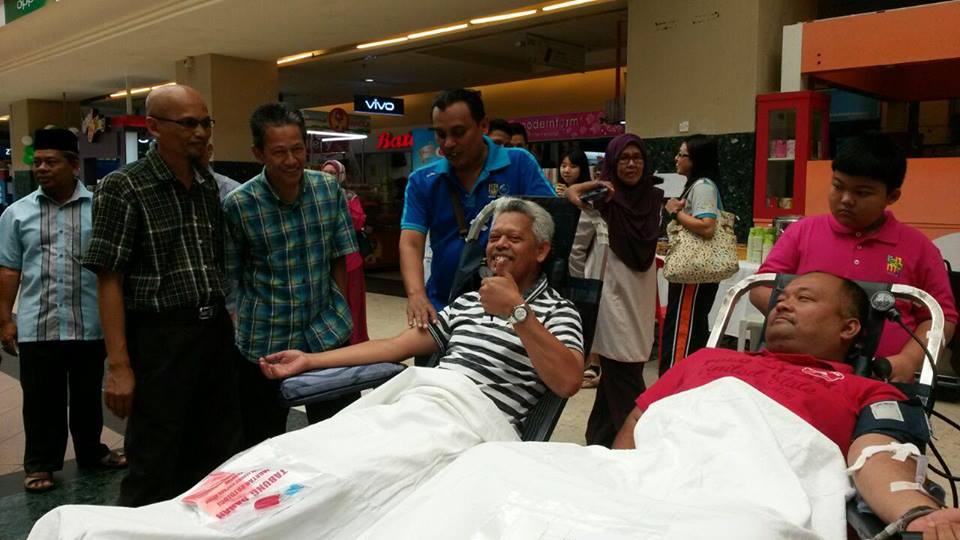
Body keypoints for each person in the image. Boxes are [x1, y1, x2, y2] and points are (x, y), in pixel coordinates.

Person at [614, 272, 960, 536]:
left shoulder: (865, 390)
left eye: (803, 298)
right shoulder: (704, 359)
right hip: (639, 492)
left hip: (743, 509)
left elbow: (878, 455)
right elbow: (638, 423)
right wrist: (613, 483)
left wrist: (918, 513)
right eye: (781, 298)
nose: (781, 304)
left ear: (849, 328)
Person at [263, 197, 583, 422]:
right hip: (422, 406)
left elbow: (568, 381)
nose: (499, 244)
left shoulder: (558, 312)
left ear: (541, 251)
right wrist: (310, 360)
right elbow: (395, 346)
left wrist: (517, 311)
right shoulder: (469, 301)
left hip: (473, 426)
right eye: (494, 236)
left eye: (513, 238)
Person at [81, 84, 242, 506]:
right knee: (155, 458)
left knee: (217, 450)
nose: (200, 132)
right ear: (153, 127)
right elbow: (109, 279)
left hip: (212, 331)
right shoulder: (124, 187)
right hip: (159, 339)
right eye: (188, 123)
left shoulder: (207, 185)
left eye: (205, 122)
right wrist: (119, 366)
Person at [750, 133, 957, 382]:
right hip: (796, 371)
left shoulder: (919, 248)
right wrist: (812, 324)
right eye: (838, 186)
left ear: (892, 196)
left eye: (863, 193)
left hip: (880, 378)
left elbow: (941, 317)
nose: (846, 200)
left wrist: (909, 360)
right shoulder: (802, 232)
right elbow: (761, 287)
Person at [223, 103, 357, 448]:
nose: (291, 160)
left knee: (339, 437)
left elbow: (339, 257)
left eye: (297, 149)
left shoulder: (327, 190)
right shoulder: (240, 205)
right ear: (258, 153)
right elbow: (231, 275)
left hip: (327, 331)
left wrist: (341, 309)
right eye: (279, 152)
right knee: (260, 442)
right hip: (265, 340)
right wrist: (236, 320)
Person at [0, 128, 125, 494]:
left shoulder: (99, 208)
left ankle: (91, 451)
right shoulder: (17, 213)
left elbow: (114, 269)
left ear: (73, 165)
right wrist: (5, 319)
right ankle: (41, 463)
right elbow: (9, 270)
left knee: (87, 397)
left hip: (89, 322)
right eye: (37, 162)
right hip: (39, 323)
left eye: (50, 162)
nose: (41, 168)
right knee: (41, 400)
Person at [400, 88, 555, 330]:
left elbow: (549, 222)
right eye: (441, 134)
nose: (448, 143)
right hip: (444, 307)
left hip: (511, 310)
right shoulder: (423, 180)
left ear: (483, 126)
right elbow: (411, 242)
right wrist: (416, 294)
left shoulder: (518, 164)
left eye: (459, 132)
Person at [564, 134, 662, 448]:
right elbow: (577, 251)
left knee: (621, 371)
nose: (631, 164)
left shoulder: (653, 199)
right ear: (612, 162)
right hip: (608, 298)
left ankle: (599, 440)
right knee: (624, 370)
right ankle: (643, 444)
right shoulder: (599, 199)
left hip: (640, 296)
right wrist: (585, 291)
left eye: (637, 157)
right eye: (624, 158)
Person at [659, 134, 725, 375]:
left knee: (683, 330)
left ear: (697, 158)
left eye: (682, 154)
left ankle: (675, 381)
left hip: (693, 273)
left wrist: (675, 213)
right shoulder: (697, 185)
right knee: (686, 327)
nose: (676, 159)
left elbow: (707, 226)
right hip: (691, 272)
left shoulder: (703, 187)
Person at [321, 158, 370, 344]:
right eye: (325, 173)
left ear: (340, 176)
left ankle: (355, 341)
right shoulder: (313, 197)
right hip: (323, 260)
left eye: (332, 173)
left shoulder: (349, 197)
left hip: (350, 261)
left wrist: (340, 202)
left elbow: (358, 222)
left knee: (352, 303)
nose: (328, 177)